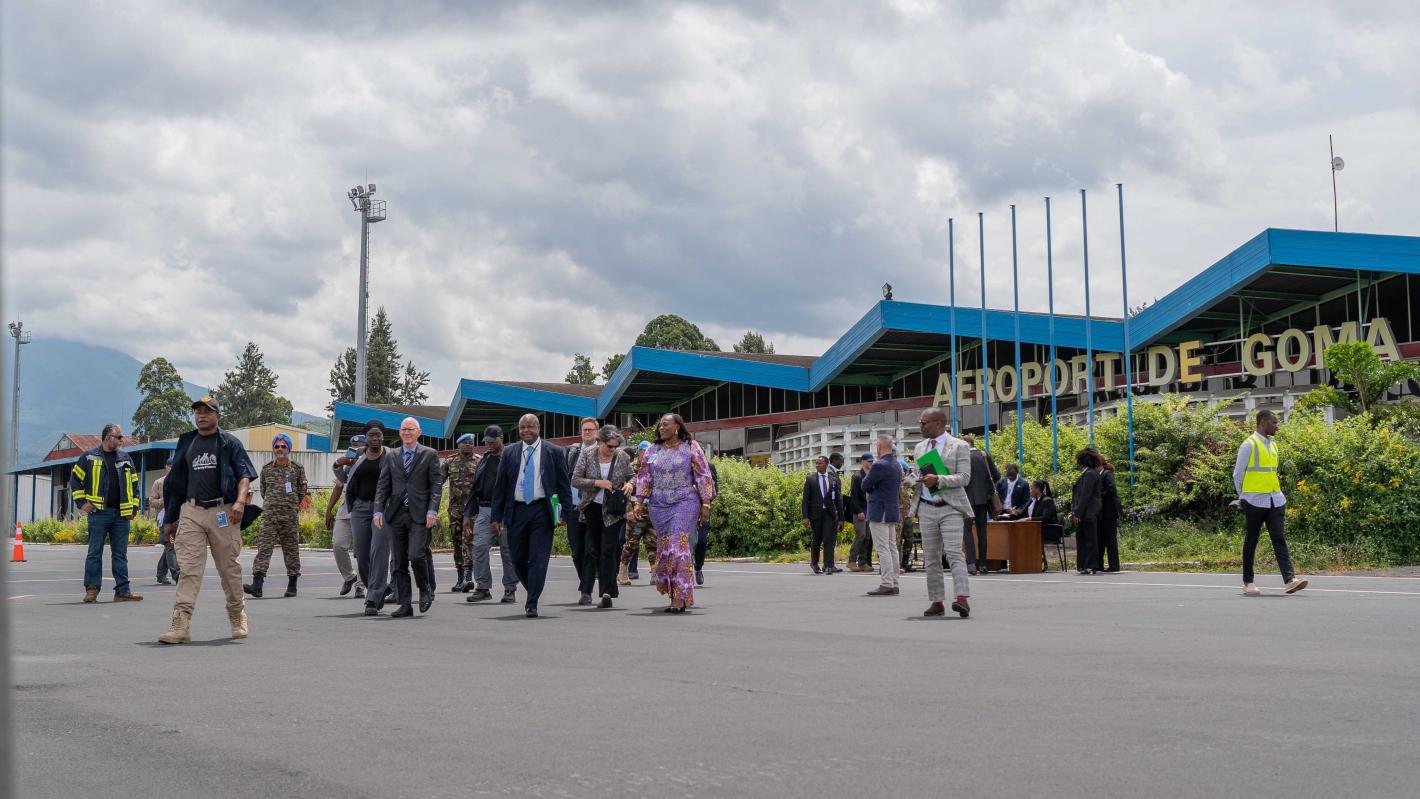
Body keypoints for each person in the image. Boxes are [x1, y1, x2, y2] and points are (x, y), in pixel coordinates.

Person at [158, 396, 258, 643]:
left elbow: (244, 476)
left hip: (222, 511)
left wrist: (239, 502)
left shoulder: (229, 443)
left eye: (207, 411)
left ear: (217, 415)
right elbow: (175, 485)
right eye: (197, 412)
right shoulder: (187, 442)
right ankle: (180, 625)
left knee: (228, 568)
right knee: (189, 569)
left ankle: (237, 615)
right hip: (191, 511)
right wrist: (170, 519)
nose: (201, 415)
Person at [490, 413, 573, 618]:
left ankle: (532, 601)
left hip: (541, 511)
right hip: (516, 510)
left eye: (530, 427)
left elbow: (563, 484)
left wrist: (566, 513)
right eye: (523, 427)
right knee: (517, 558)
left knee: (538, 558)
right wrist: (496, 516)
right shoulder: (509, 452)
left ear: (539, 428)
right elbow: (500, 486)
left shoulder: (554, 452)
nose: (526, 430)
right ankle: (533, 588)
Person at [630, 413, 715, 612]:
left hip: (685, 501)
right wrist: (639, 503)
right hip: (658, 506)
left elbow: (703, 475)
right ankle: (675, 594)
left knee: (679, 546)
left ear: (677, 426)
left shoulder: (690, 447)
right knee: (666, 551)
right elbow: (644, 477)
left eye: (665, 424)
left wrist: (706, 503)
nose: (661, 428)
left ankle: (680, 597)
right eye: (660, 425)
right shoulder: (653, 449)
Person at [1233, 410, 1308, 596]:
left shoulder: (1273, 445)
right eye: (1274, 422)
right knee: (1252, 540)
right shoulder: (1248, 445)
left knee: (1279, 538)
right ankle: (1248, 582)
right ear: (1263, 423)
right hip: (1254, 500)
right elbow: (1238, 474)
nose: (1277, 426)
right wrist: (1242, 497)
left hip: (1275, 499)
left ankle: (1290, 580)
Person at [374, 417, 443, 618]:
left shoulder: (429, 455)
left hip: (420, 514)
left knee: (416, 555)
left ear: (419, 432)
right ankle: (405, 604)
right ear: (399, 433)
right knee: (398, 562)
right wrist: (378, 510)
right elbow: (383, 485)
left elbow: (436, 486)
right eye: (403, 429)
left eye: (410, 429)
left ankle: (425, 589)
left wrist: (432, 510)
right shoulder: (391, 456)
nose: (406, 432)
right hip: (396, 514)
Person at [909, 408, 973, 618]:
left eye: (923, 422)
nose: (920, 426)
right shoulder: (920, 447)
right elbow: (918, 473)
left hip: (951, 507)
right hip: (926, 506)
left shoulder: (959, 446)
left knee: (954, 553)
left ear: (938, 423)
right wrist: (910, 481)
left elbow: (964, 478)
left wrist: (939, 479)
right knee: (931, 557)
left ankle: (962, 598)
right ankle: (937, 601)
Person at [71, 423, 144, 603]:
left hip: (121, 515)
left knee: (120, 554)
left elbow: (135, 485)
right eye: (119, 437)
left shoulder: (126, 458)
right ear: (108, 437)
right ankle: (92, 590)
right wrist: (82, 502)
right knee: (94, 552)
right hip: (99, 514)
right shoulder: (88, 457)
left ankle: (122, 591)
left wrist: (133, 508)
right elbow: (75, 481)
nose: (122, 440)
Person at [571, 424, 634, 607]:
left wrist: (630, 484)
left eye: (615, 446)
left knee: (607, 549)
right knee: (592, 550)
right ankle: (587, 590)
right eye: (609, 446)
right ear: (600, 442)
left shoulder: (622, 457)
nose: (612, 450)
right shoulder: (588, 454)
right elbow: (575, 480)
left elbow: (633, 476)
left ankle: (606, 593)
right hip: (592, 507)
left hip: (613, 510)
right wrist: (597, 482)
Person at [244, 434, 310, 599]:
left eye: (283, 446)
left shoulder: (297, 468)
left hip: (289, 516)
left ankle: (292, 584)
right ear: (273, 449)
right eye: (277, 446)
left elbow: (302, 491)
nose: (280, 449)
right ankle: (257, 585)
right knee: (264, 548)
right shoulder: (266, 469)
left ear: (288, 449)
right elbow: (264, 490)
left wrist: (291, 505)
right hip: (270, 515)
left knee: (291, 549)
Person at [463, 425, 519, 604]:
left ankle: (510, 588)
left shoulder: (511, 457)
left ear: (501, 438)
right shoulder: (484, 460)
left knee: (507, 550)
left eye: (493, 441)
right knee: (479, 546)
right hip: (485, 509)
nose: (489, 445)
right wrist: (467, 516)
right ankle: (483, 587)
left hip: (505, 510)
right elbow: (475, 489)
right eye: (487, 442)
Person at [347, 424, 395, 615]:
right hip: (359, 508)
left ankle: (372, 599)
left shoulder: (392, 456)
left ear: (383, 437)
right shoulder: (358, 456)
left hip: (382, 509)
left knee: (379, 552)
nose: (375, 438)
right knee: (361, 554)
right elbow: (344, 477)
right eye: (371, 435)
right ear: (366, 438)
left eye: (378, 435)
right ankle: (378, 589)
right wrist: (337, 465)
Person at [861, 436, 903, 596]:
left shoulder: (879, 465)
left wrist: (871, 484)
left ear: (879, 447)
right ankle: (894, 582)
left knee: (883, 548)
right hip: (892, 510)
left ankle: (886, 583)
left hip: (879, 510)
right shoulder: (896, 465)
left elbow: (865, 485)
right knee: (892, 547)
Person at [564, 417, 601, 596]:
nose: (587, 433)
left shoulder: (602, 452)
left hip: (593, 508)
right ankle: (585, 581)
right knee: (577, 550)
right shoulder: (572, 452)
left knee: (591, 550)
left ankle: (586, 590)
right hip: (574, 507)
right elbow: (564, 479)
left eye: (591, 430)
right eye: (585, 430)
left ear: (597, 432)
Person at [441, 433, 481, 592]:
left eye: (471, 443)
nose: (469, 445)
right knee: (457, 542)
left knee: (469, 540)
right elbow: (438, 482)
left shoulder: (479, 461)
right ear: (459, 445)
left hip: (472, 509)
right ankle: (460, 577)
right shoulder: (450, 462)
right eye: (465, 443)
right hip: (455, 509)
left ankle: (468, 577)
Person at [327, 435, 366, 598]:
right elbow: (339, 484)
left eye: (359, 445)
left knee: (361, 551)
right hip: (346, 510)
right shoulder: (348, 465)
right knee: (338, 544)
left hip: (364, 509)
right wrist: (338, 465)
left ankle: (361, 585)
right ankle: (350, 577)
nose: (355, 447)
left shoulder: (371, 460)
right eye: (353, 445)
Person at [619, 441, 657, 584]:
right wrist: (628, 510)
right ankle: (623, 571)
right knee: (631, 543)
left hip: (651, 510)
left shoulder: (654, 467)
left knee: (652, 543)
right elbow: (625, 491)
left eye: (648, 451)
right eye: (643, 451)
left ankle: (654, 573)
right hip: (635, 510)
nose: (646, 454)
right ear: (639, 452)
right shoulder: (631, 469)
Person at [962, 436, 1001, 575]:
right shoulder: (984, 455)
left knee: (967, 531)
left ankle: (971, 564)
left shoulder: (963, 457)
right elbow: (997, 476)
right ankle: (983, 564)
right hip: (983, 500)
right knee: (982, 532)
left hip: (966, 499)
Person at [801, 454, 844, 574]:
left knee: (828, 540)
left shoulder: (833, 479)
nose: (817, 465)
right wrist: (805, 516)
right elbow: (805, 500)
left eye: (820, 463)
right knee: (817, 539)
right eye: (816, 463)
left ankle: (828, 565)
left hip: (829, 514)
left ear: (826, 464)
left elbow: (838, 500)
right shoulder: (810, 479)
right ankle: (814, 563)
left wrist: (841, 518)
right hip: (815, 514)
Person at [1068, 449, 1103, 575]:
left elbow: (1085, 496)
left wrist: (1077, 513)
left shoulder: (1089, 474)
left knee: (1089, 540)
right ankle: (1083, 565)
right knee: (1082, 540)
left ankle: (1090, 566)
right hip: (1084, 513)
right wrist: (1074, 511)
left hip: (1088, 513)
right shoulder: (1089, 473)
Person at [1090, 449, 1122, 573]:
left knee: (1110, 539)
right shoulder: (1099, 475)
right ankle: (1099, 564)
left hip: (1109, 512)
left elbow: (1111, 490)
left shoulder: (1107, 474)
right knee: (1100, 538)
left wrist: (1098, 495)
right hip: (1101, 512)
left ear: (1099, 464)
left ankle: (1114, 565)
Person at [692, 444, 718, 586]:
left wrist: (706, 502)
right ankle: (686, 572)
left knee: (701, 541)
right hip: (687, 509)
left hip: (703, 510)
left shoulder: (710, 467)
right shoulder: (686, 466)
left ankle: (698, 568)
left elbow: (715, 490)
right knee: (687, 542)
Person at [152, 458, 179, 586]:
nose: (172, 468)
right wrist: (166, 499)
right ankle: (176, 573)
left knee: (170, 547)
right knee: (170, 545)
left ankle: (161, 574)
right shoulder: (159, 482)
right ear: (166, 467)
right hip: (164, 518)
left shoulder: (181, 481)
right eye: (170, 466)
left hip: (179, 517)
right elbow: (152, 502)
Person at [846, 454, 874, 572]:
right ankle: (852, 561)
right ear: (862, 462)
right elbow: (854, 496)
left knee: (867, 536)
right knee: (861, 535)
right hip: (860, 510)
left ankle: (863, 562)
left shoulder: (872, 475)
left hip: (870, 510)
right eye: (868, 461)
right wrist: (858, 511)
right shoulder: (857, 476)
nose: (870, 463)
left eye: (872, 461)